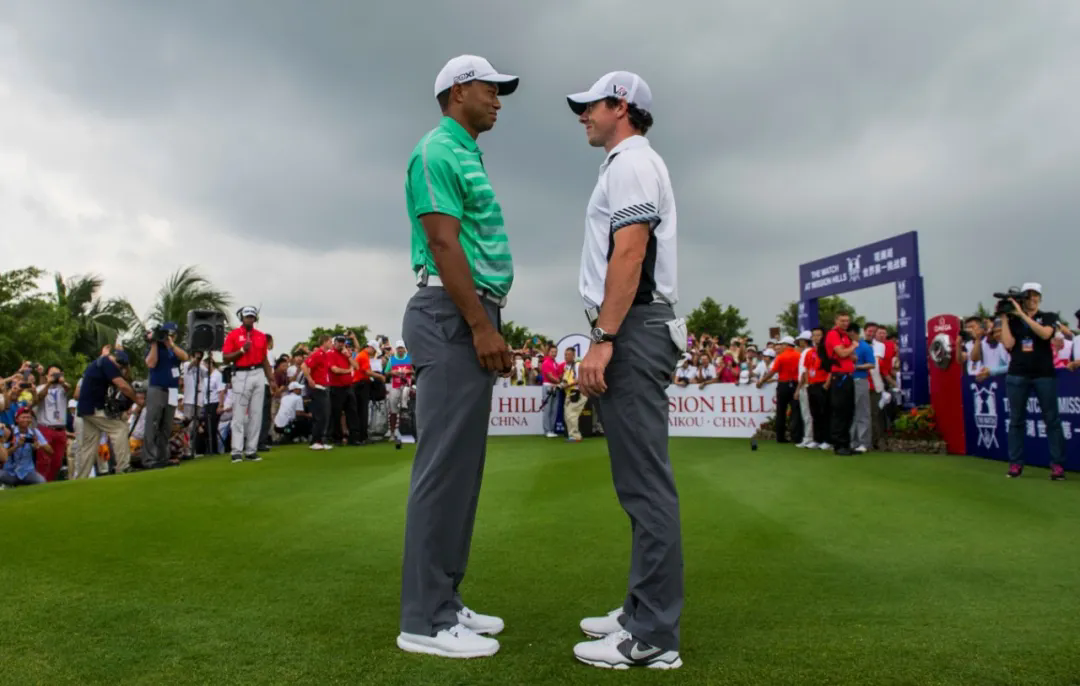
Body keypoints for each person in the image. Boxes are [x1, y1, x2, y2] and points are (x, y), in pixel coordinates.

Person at [397, 54, 518, 659]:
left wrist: (488, 320)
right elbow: (443, 242)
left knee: (462, 473)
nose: (497, 99)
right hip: (450, 315)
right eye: (490, 89)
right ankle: (425, 618)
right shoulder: (436, 150)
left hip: (465, 312)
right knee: (443, 470)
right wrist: (479, 324)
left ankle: (444, 597)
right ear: (459, 90)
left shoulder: (465, 151)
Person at [568, 71, 684, 670]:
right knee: (638, 483)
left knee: (645, 485)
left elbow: (631, 249)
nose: (582, 115)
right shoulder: (627, 162)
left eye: (590, 105)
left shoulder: (632, 162)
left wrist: (604, 337)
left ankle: (653, 634)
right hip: (635, 324)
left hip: (633, 326)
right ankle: (643, 607)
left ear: (621, 106)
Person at [999, 283, 1065, 479]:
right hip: (1018, 373)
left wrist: (1021, 315)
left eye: (1036, 295)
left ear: (1040, 298)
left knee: (1052, 420)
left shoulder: (1048, 316)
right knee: (1016, 420)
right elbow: (1008, 344)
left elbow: (1045, 334)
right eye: (1028, 296)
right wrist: (1004, 318)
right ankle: (1015, 463)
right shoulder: (1014, 320)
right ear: (1022, 299)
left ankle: (1057, 464)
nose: (1032, 299)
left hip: (1044, 374)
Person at [74, 349, 140, 478]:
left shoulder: (99, 363)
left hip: (86, 409)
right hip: (93, 408)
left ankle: (81, 477)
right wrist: (137, 400)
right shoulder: (107, 363)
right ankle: (123, 467)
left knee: (89, 445)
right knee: (120, 429)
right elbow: (123, 385)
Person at [221, 306, 274, 463]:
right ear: (242, 318)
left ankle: (251, 450)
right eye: (247, 317)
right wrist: (242, 351)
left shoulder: (261, 336)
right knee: (239, 413)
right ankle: (236, 451)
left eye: (252, 317)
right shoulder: (233, 335)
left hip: (258, 373)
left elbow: (264, 359)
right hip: (241, 373)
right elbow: (225, 358)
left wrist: (271, 378)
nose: (250, 319)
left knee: (256, 414)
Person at [144, 322, 189, 469]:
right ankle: (150, 459)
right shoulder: (155, 347)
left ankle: (163, 456)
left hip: (173, 390)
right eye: (168, 334)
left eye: (172, 335)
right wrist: (154, 343)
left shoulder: (173, 349)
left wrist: (171, 344)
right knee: (153, 423)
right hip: (157, 388)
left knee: (167, 425)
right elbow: (151, 363)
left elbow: (185, 357)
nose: (170, 337)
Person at [825, 313, 857, 456]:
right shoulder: (833, 334)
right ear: (836, 321)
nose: (845, 323)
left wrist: (849, 351)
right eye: (842, 320)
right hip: (839, 377)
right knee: (840, 411)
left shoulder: (844, 335)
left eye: (847, 321)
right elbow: (842, 353)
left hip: (848, 375)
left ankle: (846, 444)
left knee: (848, 411)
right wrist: (853, 346)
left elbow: (852, 357)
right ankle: (838, 445)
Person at [758, 336, 799, 443]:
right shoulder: (798, 355)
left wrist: (762, 381)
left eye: (782, 344)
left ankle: (780, 437)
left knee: (781, 412)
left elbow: (772, 372)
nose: (780, 346)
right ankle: (796, 436)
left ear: (786, 345)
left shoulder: (781, 357)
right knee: (795, 411)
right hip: (795, 385)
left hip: (783, 385)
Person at [34, 365, 71, 481]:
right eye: (52, 374)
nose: (55, 376)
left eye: (57, 374)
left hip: (60, 429)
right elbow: (38, 398)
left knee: (57, 461)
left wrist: (62, 381)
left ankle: (49, 483)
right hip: (45, 428)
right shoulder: (40, 387)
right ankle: (40, 483)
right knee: (43, 460)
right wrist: (48, 383)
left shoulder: (63, 388)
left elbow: (69, 388)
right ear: (46, 376)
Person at [1, 408, 49, 487]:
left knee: (41, 481)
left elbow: (50, 451)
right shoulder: (10, 431)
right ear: (16, 419)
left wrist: (39, 445)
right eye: (23, 417)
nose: (26, 419)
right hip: (10, 472)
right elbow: (4, 456)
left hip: (28, 472)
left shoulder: (34, 432)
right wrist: (17, 446)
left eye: (28, 417)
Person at [328, 335, 361, 446]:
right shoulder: (331, 353)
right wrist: (348, 370)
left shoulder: (346, 353)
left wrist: (348, 356)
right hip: (336, 387)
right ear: (334, 342)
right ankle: (336, 438)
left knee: (352, 413)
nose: (341, 344)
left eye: (342, 342)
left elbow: (356, 367)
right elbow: (335, 370)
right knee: (336, 414)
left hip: (348, 387)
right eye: (339, 342)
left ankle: (354, 438)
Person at [849, 323, 876, 453]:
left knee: (862, 412)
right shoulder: (847, 346)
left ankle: (864, 442)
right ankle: (853, 441)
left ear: (853, 333)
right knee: (852, 412)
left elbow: (872, 364)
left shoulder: (864, 346)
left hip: (860, 380)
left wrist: (857, 367)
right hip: (848, 381)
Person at [302, 336, 333, 451]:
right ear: (324, 342)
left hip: (324, 387)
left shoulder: (325, 355)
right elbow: (304, 366)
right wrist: (310, 379)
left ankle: (321, 440)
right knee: (320, 415)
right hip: (318, 387)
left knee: (325, 415)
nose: (331, 343)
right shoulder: (318, 354)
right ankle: (315, 440)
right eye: (330, 341)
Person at [386, 341, 414, 443]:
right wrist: (392, 372)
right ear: (396, 349)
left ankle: (408, 432)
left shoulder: (410, 358)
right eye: (398, 348)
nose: (400, 350)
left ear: (404, 349)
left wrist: (409, 371)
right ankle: (392, 433)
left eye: (401, 348)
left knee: (406, 410)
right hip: (395, 386)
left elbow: (415, 371)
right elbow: (386, 372)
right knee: (393, 410)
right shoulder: (392, 359)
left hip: (406, 386)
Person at [561, 347, 586, 442]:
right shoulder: (566, 367)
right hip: (569, 393)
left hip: (578, 393)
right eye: (565, 354)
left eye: (568, 354)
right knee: (567, 415)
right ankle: (572, 435)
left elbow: (580, 379)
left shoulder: (578, 365)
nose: (566, 356)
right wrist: (560, 385)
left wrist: (567, 385)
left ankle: (575, 436)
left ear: (573, 355)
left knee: (572, 414)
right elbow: (565, 380)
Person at [540, 345, 563, 438]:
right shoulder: (546, 362)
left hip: (555, 387)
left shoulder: (555, 363)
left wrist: (560, 380)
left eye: (555, 352)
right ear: (548, 352)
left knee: (554, 410)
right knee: (548, 409)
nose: (554, 353)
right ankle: (547, 430)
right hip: (548, 387)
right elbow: (549, 376)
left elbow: (559, 375)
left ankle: (551, 430)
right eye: (552, 352)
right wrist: (560, 382)